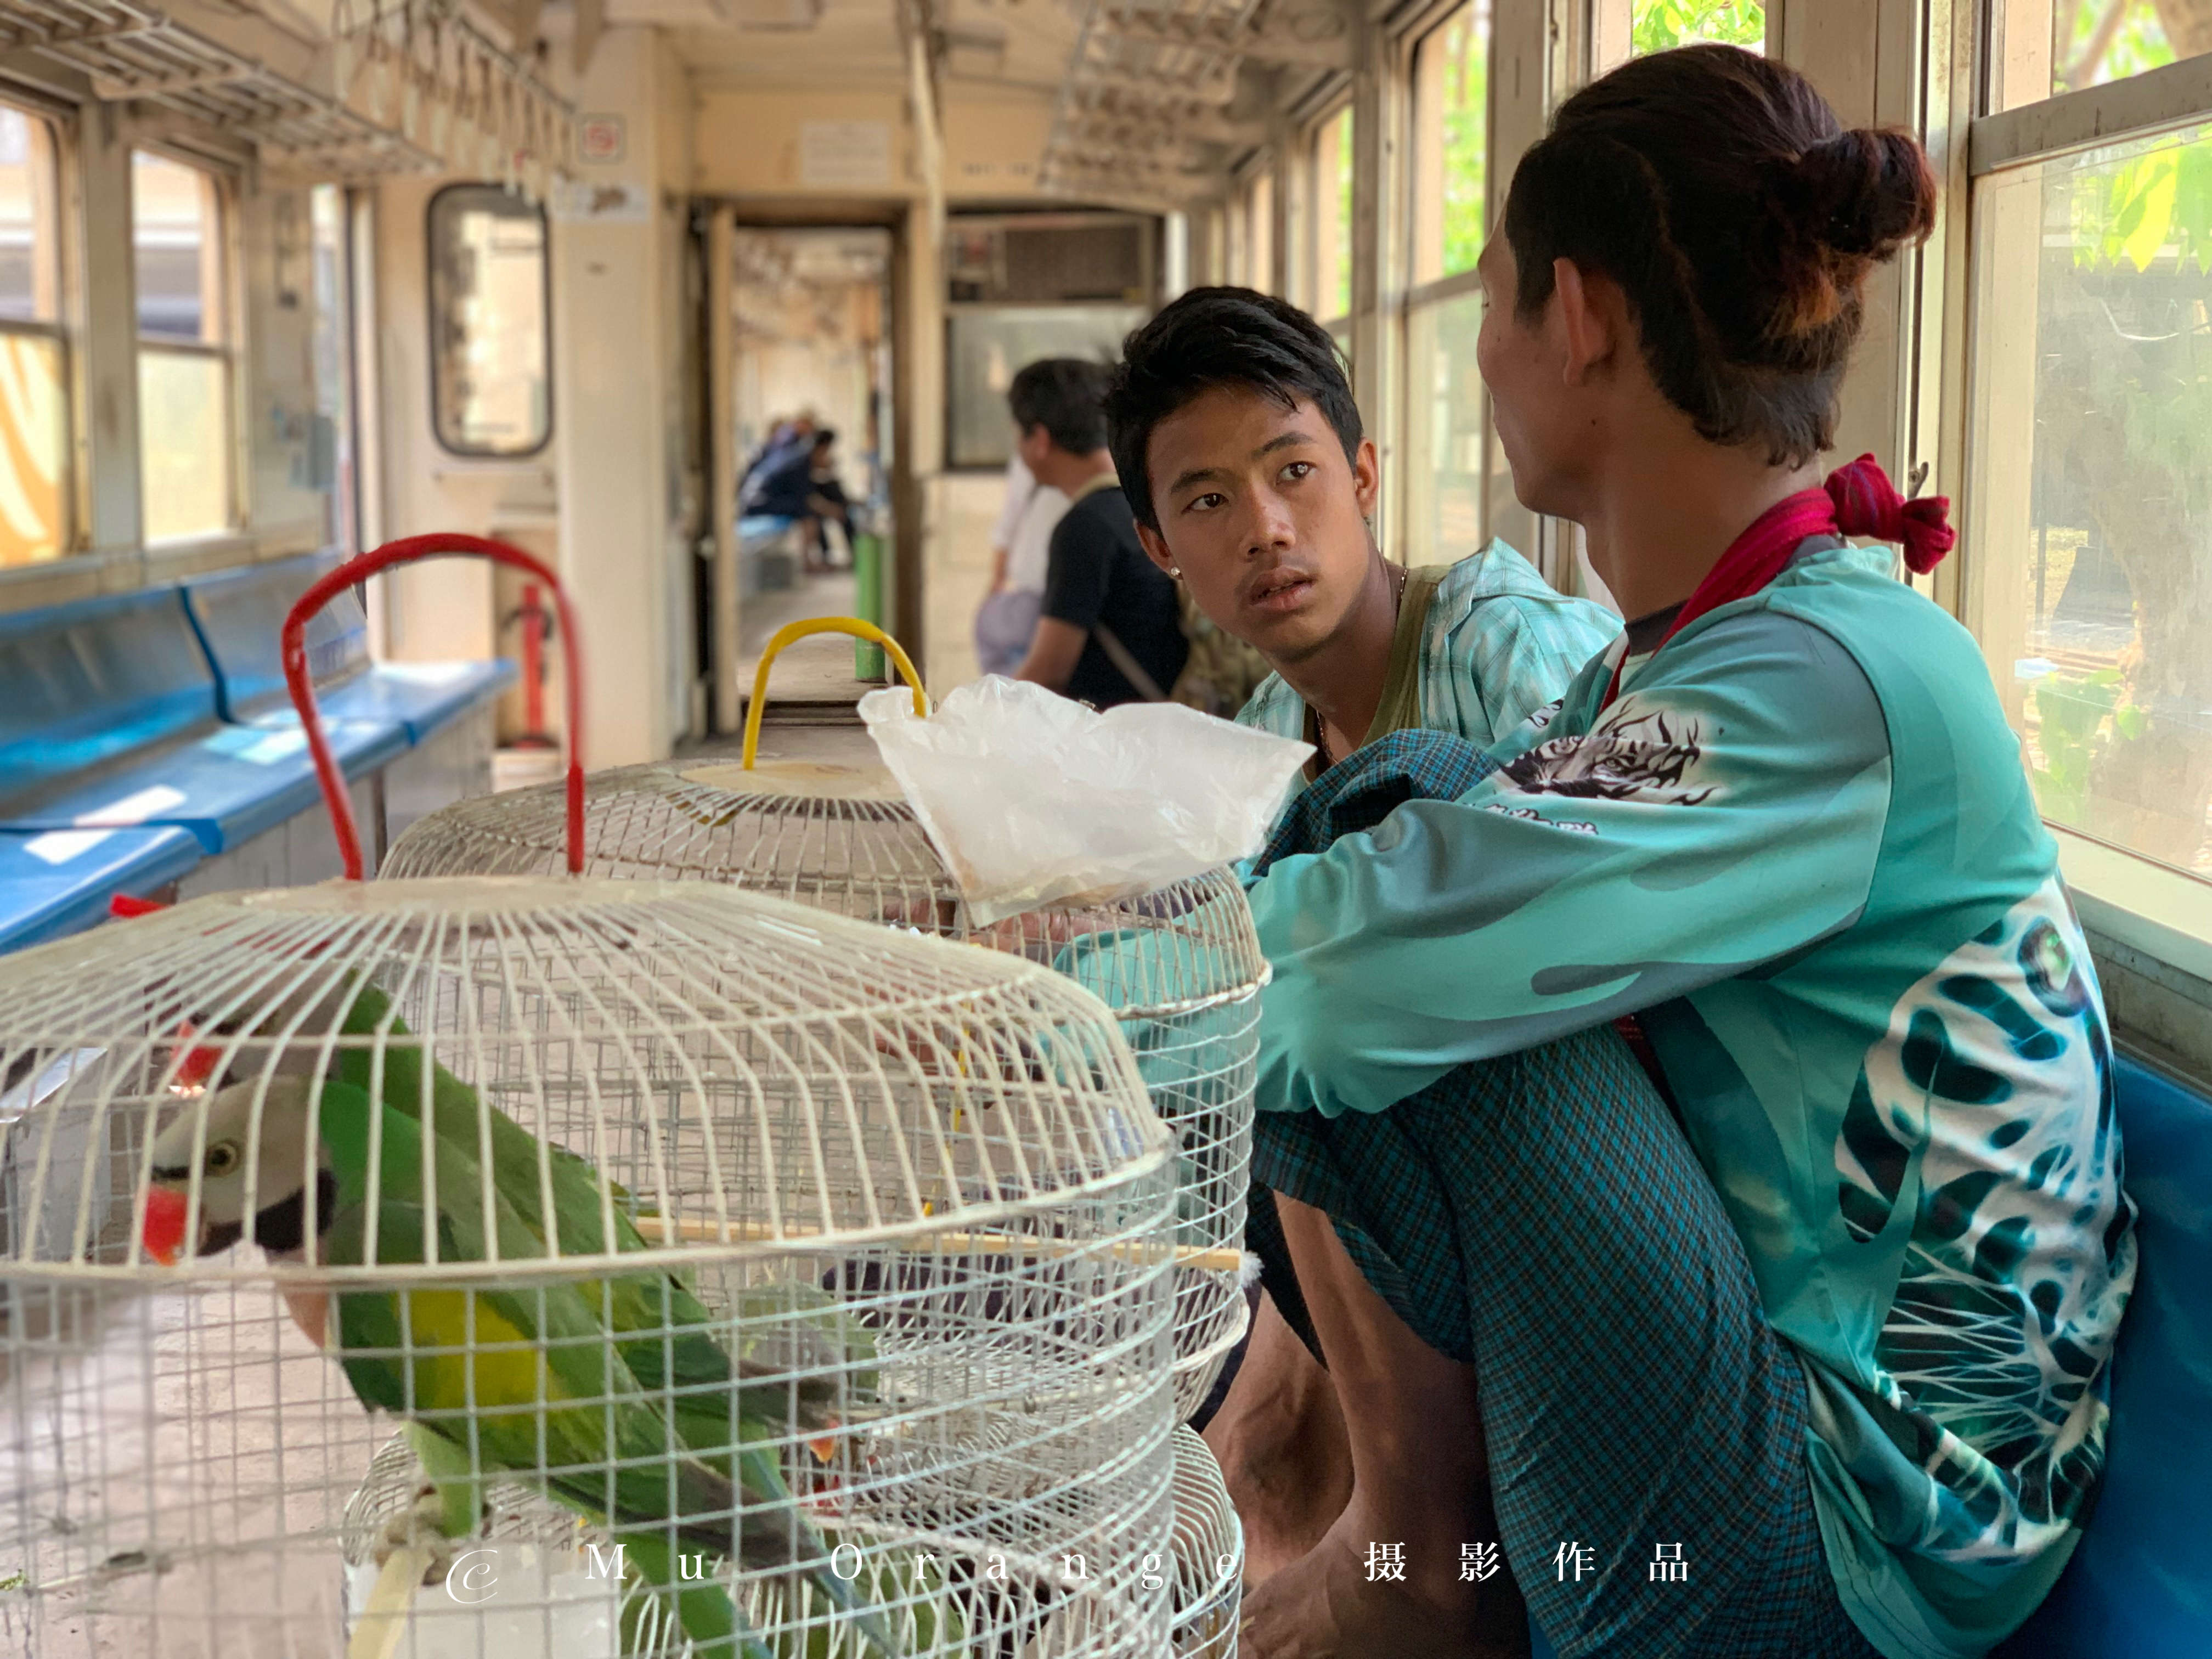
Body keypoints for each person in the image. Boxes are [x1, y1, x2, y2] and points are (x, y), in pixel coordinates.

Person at [1225, 45, 2135, 1659]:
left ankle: (1424, 1580)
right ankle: (1395, 1538)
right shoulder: (1704, 657)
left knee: (1397, 875)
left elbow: (1332, 987)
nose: (1488, 352)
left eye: (1500, 301)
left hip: (1843, 1544)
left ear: (1581, 320)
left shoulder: (1829, 684)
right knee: (1410, 835)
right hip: (1770, 1432)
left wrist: (1054, 998)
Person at [1101, 280, 1619, 1545]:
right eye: (1208, 501)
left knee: (1309, 995)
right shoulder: (1280, 743)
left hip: (1592, 1185)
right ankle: (1273, 1469)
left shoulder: (1506, 654)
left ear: (1366, 472)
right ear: (1160, 544)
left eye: (1295, 472)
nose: (1267, 531)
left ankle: (1363, 1525)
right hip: (1442, 1217)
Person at [1008, 358, 1187, 707]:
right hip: (1168, 716)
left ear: (1040, 439)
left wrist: (981, 719)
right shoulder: (1142, 504)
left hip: (1122, 736)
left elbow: (1048, 672)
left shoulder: (1085, 526)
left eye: (1019, 433)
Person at [974, 450, 1069, 676]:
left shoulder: (1033, 456)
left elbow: (1007, 527)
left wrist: (996, 586)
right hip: (1045, 599)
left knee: (1017, 687)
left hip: (1036, 599)